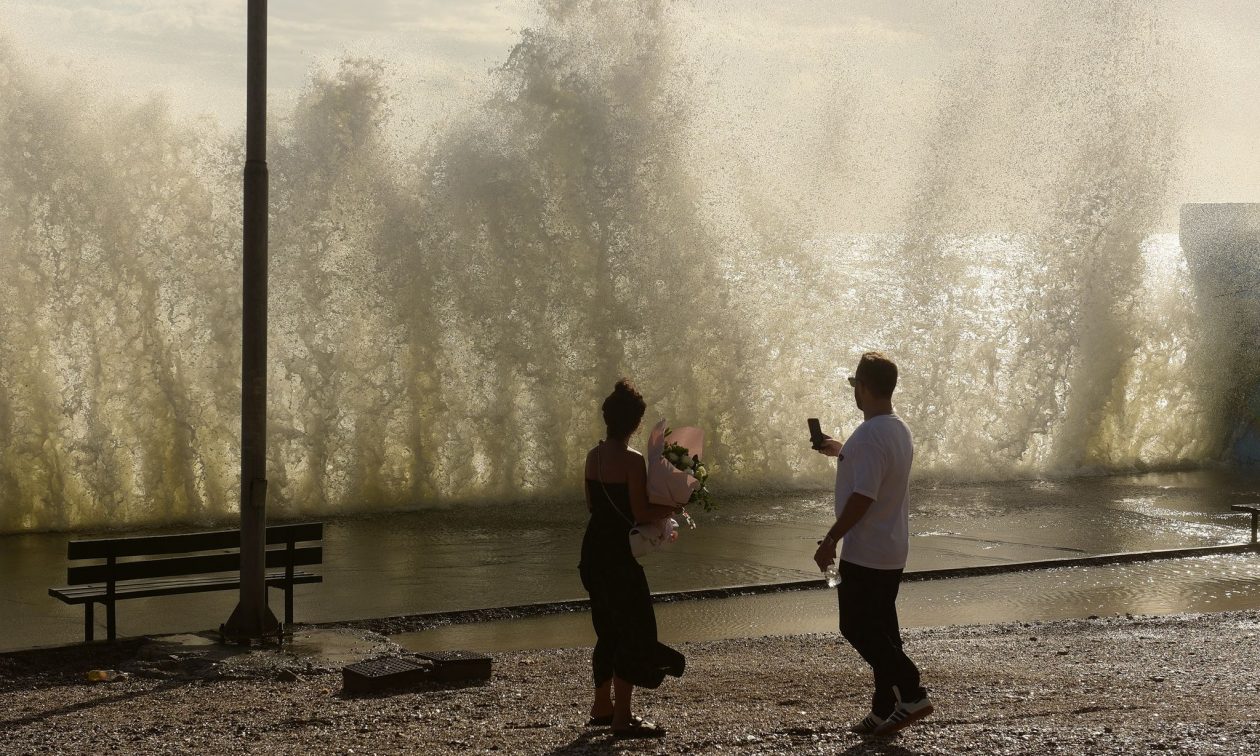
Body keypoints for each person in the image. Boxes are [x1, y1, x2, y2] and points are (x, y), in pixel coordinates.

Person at [812, 352, 934, 736]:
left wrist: (831, 538)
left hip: (866, 552)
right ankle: (884, 708)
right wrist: (839, 449)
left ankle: (912, 691)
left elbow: (863, 496)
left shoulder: (868, 436)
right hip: (892, 547)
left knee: (855, 627)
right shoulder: (897, 429)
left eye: (855, 385)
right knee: (883, 631)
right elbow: (870, 469)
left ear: (863, 387)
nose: (855, 393)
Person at [579, 379, 687, 739]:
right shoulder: (631, 460)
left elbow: (593, 506)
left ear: (607, 418)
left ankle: (601, 706)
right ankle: (622, 718)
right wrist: (673, 505)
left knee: (607, 629)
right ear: (636, 424)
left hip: (592, 551)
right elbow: (640, 512)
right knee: (634, 629)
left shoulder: (593, 456)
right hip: (616, 555)